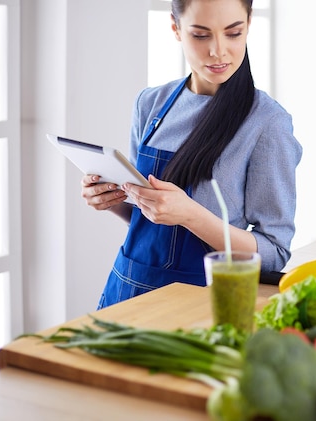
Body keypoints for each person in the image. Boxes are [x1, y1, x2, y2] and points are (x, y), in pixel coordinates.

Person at [80, 0, 302, 309]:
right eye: (201, 35)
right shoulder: (151, 103)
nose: (218, 51)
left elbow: (274, 252)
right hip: (128, 290)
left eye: (233, 33)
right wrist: (112, 200)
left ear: (248, 24)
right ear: (176, 29)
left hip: (204, 302)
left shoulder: (267, 122)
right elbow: (148, 219)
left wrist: (191, 215)